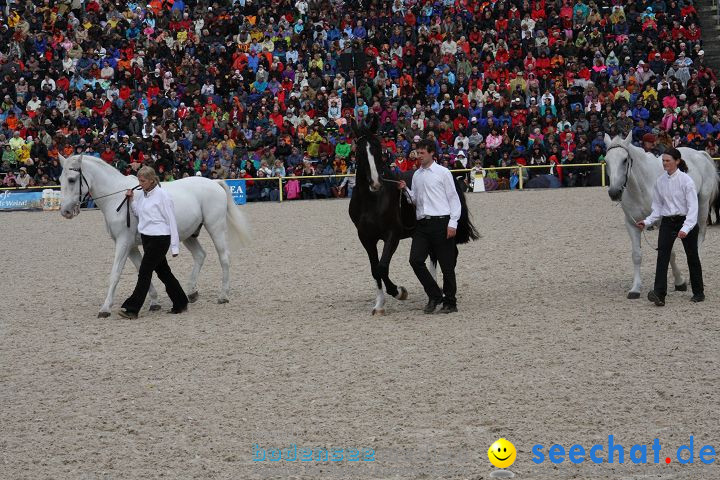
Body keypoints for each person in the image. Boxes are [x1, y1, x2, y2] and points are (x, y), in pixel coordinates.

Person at [397, 139, 462, 314]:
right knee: (415, 260)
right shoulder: (416, 175)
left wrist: (453, 223)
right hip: (422, 225)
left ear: (432, 152)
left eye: (422, 153)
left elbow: (454, 199)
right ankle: (434, 295)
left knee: (447, 266)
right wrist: (405, 190)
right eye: (417, 153)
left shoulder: (443, 172)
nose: (419, 156)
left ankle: (450, 302)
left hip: (441, 222)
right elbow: (417, 200)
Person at [635, 148, 704, 306]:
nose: (665, 163)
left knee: (692, 256)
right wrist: (646, 222)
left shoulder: (687, 181)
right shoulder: (660, 181)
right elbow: (657, 207)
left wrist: (685, 228)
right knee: (662, 257)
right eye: (663, 161)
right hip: (667, 222)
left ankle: (698, 292)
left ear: (677, 161)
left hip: (687, 221)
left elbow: (693, 208)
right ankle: (659, 294)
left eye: (668, 161)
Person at [119, 166, 189, 318]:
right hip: (147, 238)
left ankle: (132, 308)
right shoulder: (143, 195)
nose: (140, 183)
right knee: (164, 272)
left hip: (160, 239)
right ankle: (181, 301)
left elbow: (171, 220)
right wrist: (131, 200)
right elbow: (139, 213)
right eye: (139, 180)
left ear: (151, 180)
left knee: (144, 272)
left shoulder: (163, 195)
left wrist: (175, 247)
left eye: (142, 180)